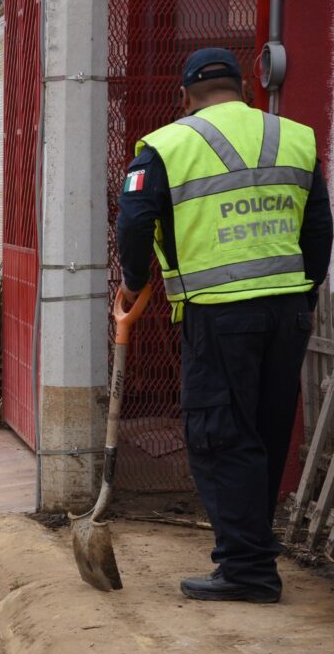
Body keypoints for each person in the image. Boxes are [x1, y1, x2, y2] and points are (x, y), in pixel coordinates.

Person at [116, 48, 333, 603]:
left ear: (183, 95)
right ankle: (253, 546)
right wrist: (301, 295)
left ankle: (247, 571)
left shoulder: (166, 145)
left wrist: (135, 282)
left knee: (219, 435)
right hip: (287, 313)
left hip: (219, 312)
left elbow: (135, 223)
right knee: (263, 430)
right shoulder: (297, 138)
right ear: (245, 89)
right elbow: (319, 229)